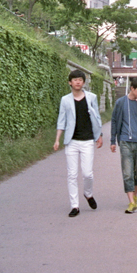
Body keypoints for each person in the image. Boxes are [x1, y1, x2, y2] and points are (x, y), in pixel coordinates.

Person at [54, 70, 103, 217]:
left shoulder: (91, 97)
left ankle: (88, 194)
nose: (77, 82)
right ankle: (74, 206)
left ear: (83, 82)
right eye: (74, 80)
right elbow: (61, 120)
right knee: (72, 174)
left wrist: (99, 135)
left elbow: (97, 117)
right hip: (72, 141)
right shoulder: (65, 100)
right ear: (70, 82)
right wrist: (57, 139)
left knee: (88, 174)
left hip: (87, 140)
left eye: (80, 79)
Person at [110, 77, 137, 214]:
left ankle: (134, 195)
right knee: (128, 173)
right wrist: (112, 141)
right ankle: (131, 202)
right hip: (125, 141)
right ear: (132, 88)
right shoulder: (121, 102)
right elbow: (115, 121)